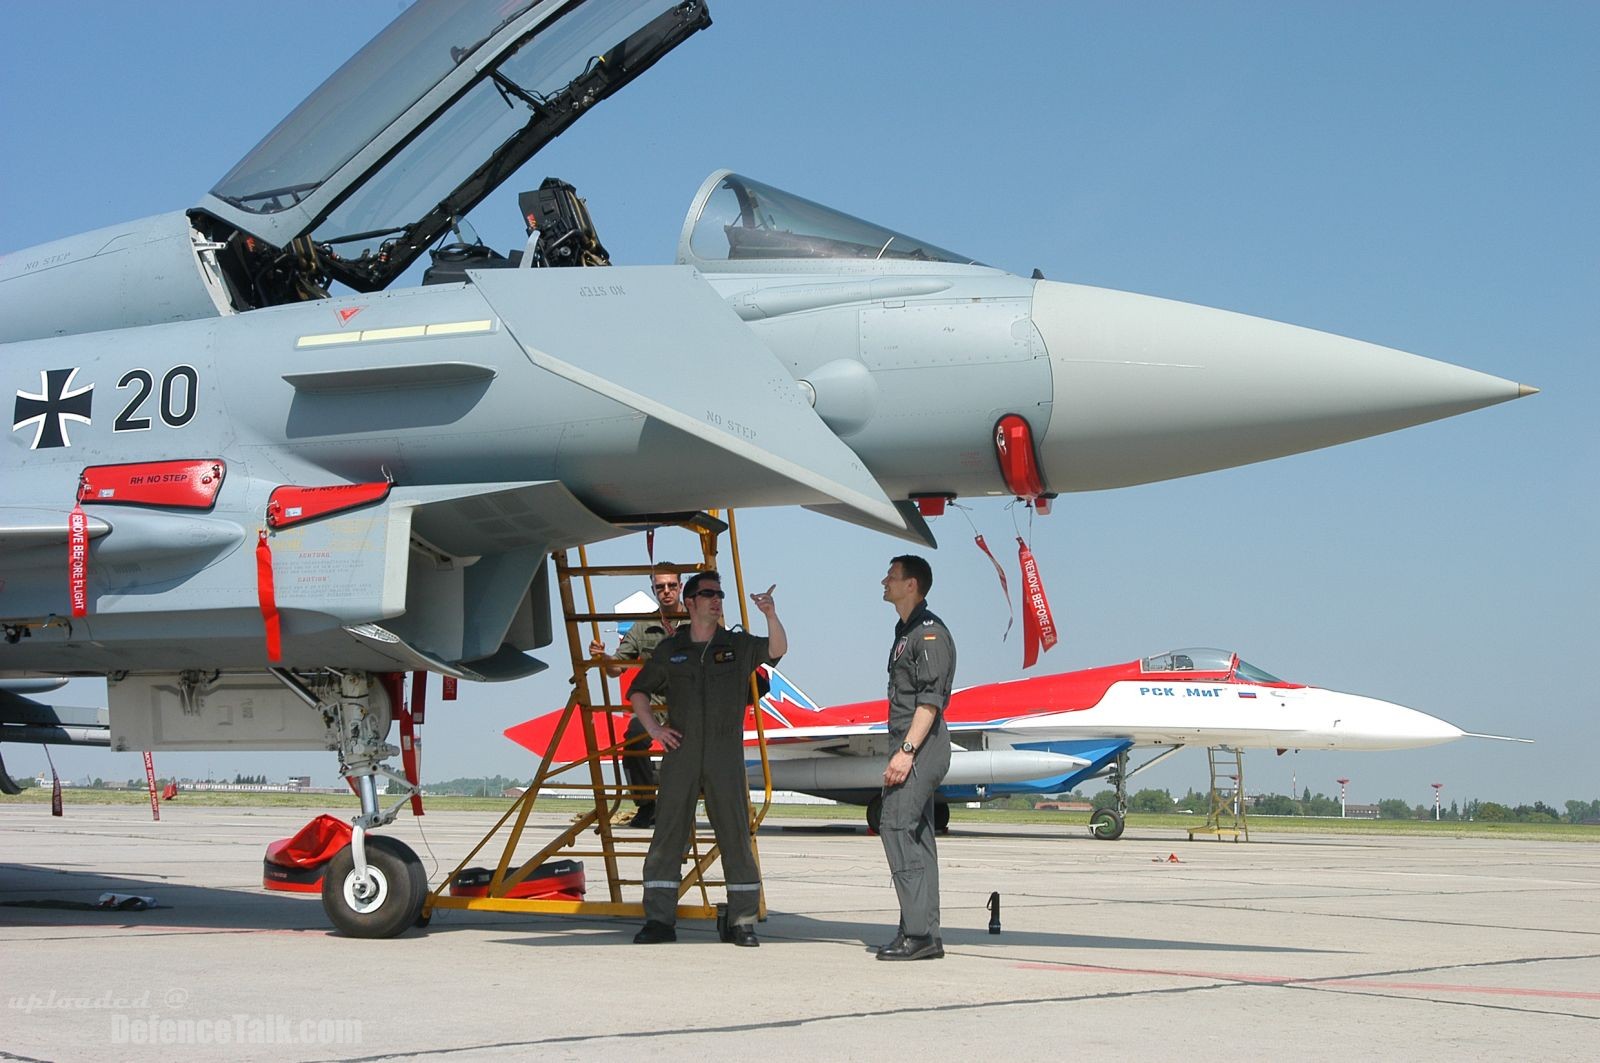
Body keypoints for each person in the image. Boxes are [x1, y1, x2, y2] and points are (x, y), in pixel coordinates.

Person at [628, 571, 785, 947]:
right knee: (668, 836)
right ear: (692, 601)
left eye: (720, 594)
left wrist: (770, 614)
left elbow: (777, 650)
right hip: (680, 753)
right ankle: (659, 921)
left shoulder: (738, 645)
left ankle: (742, 921)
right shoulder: (671, 649)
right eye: (709, 594)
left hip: (723, 756)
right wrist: (653, 730)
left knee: (734, 835)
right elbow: (638, 692)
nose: (717, 600)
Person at [874, 554, 956, 961]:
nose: (884, 581)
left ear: (912, 585)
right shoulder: (906, 631)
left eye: (892, 576)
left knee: (893, 824)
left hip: (920, 748)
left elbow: (930, 702)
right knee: (919, 837)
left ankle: (918, 932)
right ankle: (925, 932)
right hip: (913, 746)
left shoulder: (929, 635)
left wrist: (906, 753)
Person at [588, 562, 682, 828]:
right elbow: (616, 668)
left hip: (690, 703)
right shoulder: (643, 627)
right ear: (654, 590)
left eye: (672, 586)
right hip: (655, 705)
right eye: (660, 587)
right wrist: (603, 656)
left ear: (680, 587)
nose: (666, 592)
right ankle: (646, 805)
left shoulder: (698, 621)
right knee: (633, 743)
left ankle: (684, 803)